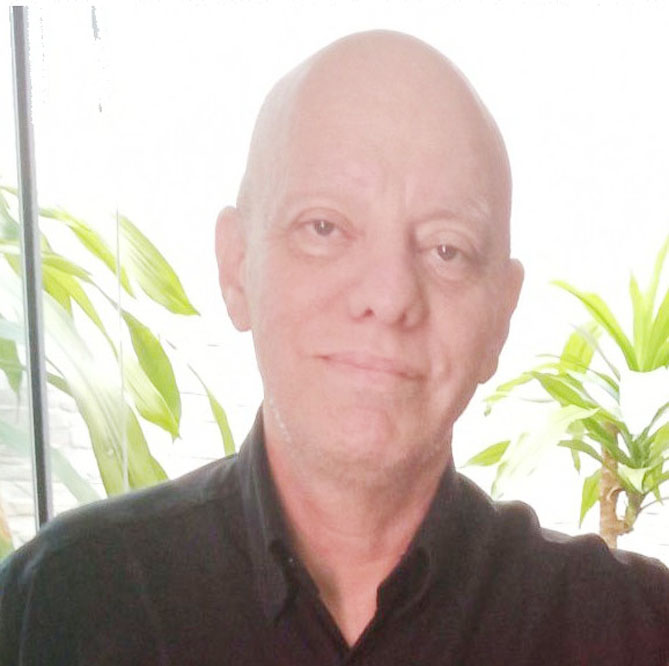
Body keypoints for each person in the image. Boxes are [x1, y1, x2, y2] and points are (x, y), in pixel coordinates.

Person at [1, 30, 668, 666]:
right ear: (237, 267)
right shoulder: (57, 606)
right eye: (323, 227)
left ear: (501, 315)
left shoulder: (633, 629)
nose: (389, 294)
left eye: (447, 249)